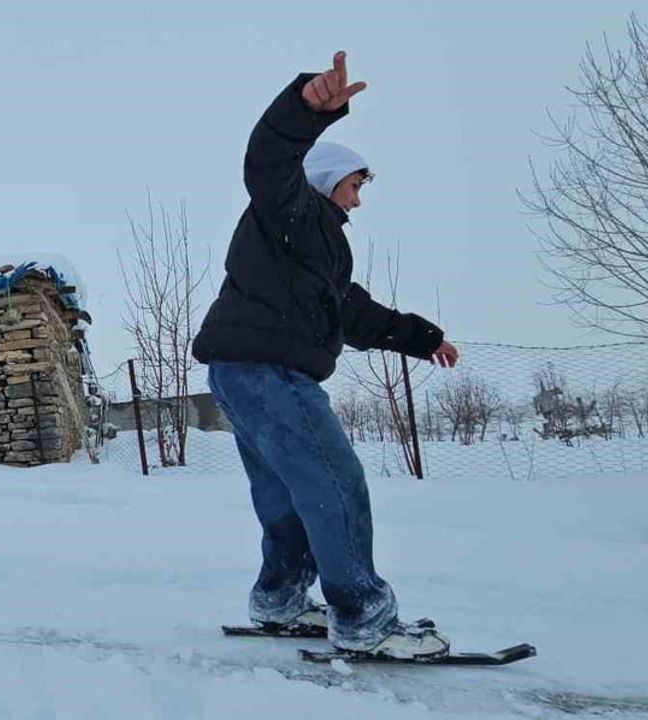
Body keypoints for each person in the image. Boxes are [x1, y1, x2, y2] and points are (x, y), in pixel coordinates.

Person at [191, 52, 461, 659]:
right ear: (326, 178)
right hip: (266, 372)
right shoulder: (290, 212)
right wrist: (306, 111)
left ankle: (280, 600)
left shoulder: (321, 248)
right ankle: (363, 614)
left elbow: (355, 314)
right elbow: (268, 160)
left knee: (289, 492)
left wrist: (423, 338)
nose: (359, 200)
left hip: (241, 371)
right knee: (334, 480)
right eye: (356, 184)